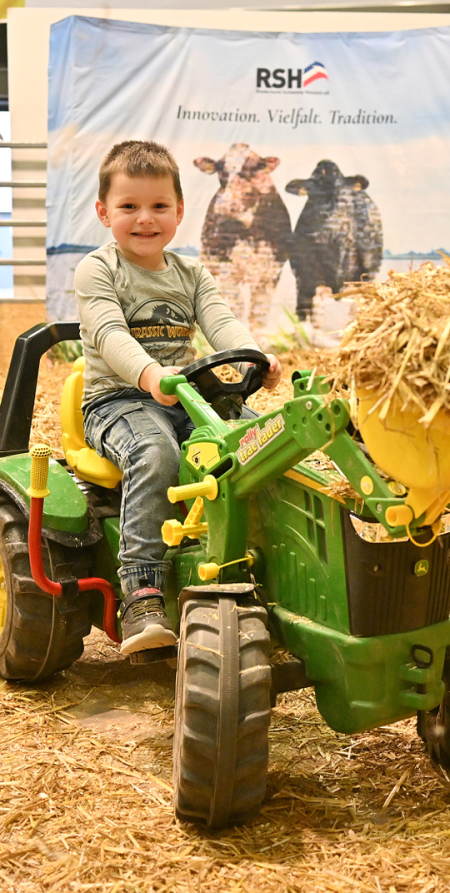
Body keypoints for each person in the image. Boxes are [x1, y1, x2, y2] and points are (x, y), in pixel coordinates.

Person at [75, 140, 283, 656]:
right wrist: (150, 375)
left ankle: (262, 564)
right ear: (104, 212)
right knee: (157, 452)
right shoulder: (98, 270)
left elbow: (221, 322)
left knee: (259, 443)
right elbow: (107, 334)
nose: (145, 219)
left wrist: (256, 355)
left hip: (185, 396)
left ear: (180, 211)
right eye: (129, 207)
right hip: (118, 401)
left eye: (158, 206)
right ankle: (142, 593)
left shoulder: (191, 274)